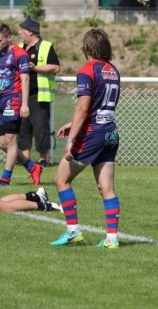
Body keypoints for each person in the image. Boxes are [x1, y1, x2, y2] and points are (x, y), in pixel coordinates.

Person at [50, 29, 121, 249]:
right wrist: (73, 124)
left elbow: (82, 108)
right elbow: (100, 105)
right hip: (110, 133)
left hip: (92, 135)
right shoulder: (113, 70)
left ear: (87, 48)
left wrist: (72, 139)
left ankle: (73, 231)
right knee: (106, 187)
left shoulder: (87, 71)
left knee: (61, 180)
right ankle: (112, 238)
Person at [0, 23, 43, 187]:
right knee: (2, 144)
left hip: (14, 100)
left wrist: (24, 104)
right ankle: (32, 167)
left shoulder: (20, 54)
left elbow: (25, 79)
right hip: (1, 103)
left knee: (11, 141)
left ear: (9, 38)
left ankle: (5, 179)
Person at [17, 18, 60, 166]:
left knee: (41, 129)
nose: (19, 32)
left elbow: (55, 68)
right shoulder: (18, 47)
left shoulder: (46, 46)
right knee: (23, 130)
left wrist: (35, 68)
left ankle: (42, 160)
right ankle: (25, 161)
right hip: (21, 96)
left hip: (39, 96)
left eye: (22, 30)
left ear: (30, 32)